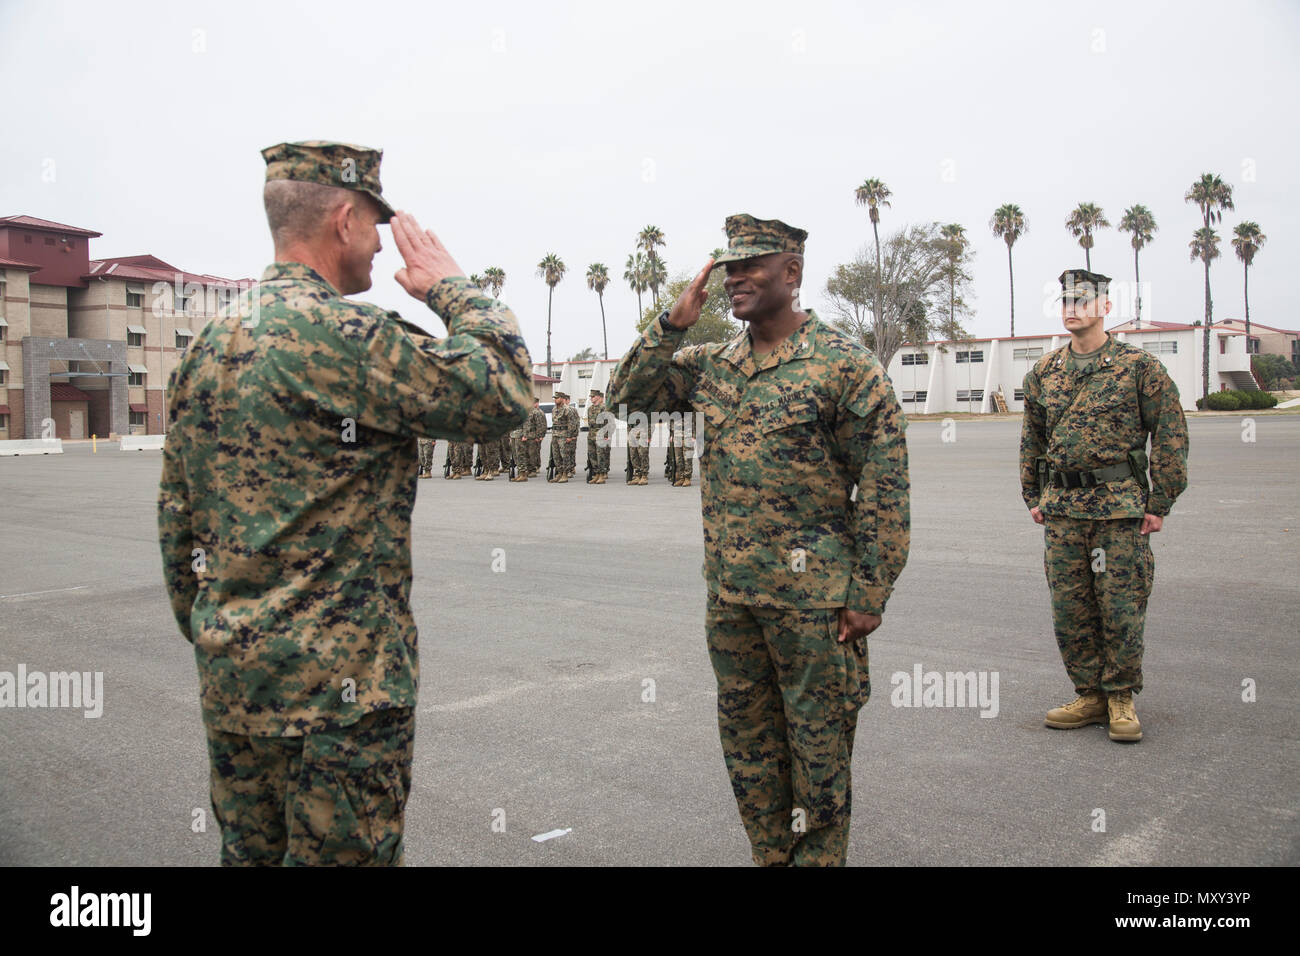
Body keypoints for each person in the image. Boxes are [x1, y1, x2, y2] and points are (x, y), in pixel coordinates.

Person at [157, 140, 533, 866]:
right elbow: (505, 388)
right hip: (341, 700)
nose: (380, 245)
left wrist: (225, 635)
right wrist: (452, 288)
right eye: (375, 226)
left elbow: (180, 534)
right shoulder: (348, 337)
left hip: (236, 685)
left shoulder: (208, 345)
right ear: (342, 220)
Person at [607, 213, 910, 866]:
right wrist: (672, 324)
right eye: (728, 268)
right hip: (733, 600)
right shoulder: (713, 364)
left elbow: (884, 488)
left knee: (818, 757)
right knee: (749, 752)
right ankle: (771, 857)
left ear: (791, 273)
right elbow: (625, 400)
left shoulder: (844, 368)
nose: (734, 278)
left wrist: (869, 592)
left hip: (815, 608)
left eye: (750, 266)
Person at [1020, 269, 1188, 743]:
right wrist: (1034, 495)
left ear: (1105, 308)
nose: (1071, 308)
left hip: (1119, 507)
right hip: (1064, 509)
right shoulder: (1044, 372)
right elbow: (1032, 437)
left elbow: (1171, 434)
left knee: (1121, 605)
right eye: (1065, 300)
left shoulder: (1138, 367)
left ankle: (1120, 697)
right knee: (1070, 607)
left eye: (1082, 300)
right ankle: (1089, 694)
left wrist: (1160, 500)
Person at [549, 391, 580, 482]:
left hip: (564, 435)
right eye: (555, 398)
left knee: (564, 455)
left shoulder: (567, 409)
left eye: (557, 398)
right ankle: (559, 473)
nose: (555, 400)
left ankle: (565, 474)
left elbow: (572, 423)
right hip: (555, 435)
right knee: (556, 456)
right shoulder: (554, 409)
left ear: (562, 399)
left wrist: (570, 436)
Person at [586, 388, 611, 483]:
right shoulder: (590, 409)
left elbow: (609, 423)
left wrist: (606, 435)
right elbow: (589, 422)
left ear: (598, 397)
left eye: (593, 397)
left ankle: (602, 474)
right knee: (592, 455)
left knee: (601, 455)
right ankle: (596, 474)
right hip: (591, 434)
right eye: (591, 397)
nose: (591, 398)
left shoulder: (604, 408)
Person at [668, 415, 694, 487]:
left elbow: (695, 418)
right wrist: (671, 434)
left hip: (687, 433)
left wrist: (694, 434)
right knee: (678, 457)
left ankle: (687, 478)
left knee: (687, 457)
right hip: (676, 434)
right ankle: (681, 477)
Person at [525, 398, 548, 477]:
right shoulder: (529, 411)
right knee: (529, 453)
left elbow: (541, 425)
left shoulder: (538, 412)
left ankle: (534, 468)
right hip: (529, 436)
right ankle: (530, 469)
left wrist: (540, 436)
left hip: (534, 436)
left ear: (536, 403)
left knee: (533, 453)